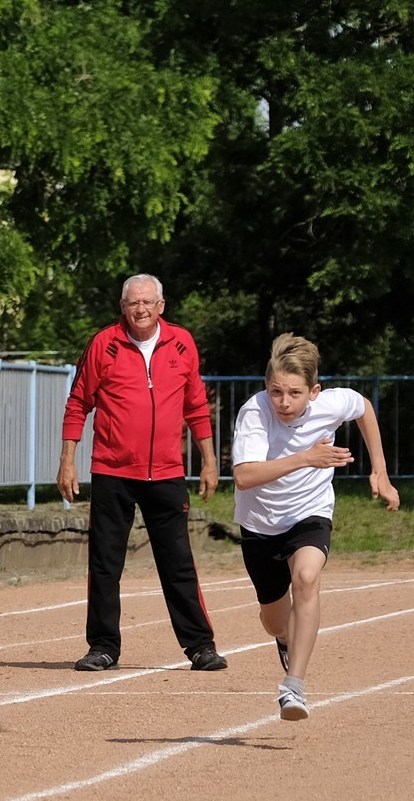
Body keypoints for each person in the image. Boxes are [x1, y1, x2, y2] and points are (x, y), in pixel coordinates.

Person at [58, 273, 226, 672]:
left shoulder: (182, 343)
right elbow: (78, 403)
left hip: (167, 472)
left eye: (148, 302)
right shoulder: (104, 344)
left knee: (178, 562)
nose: (141, 309)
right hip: (112, 470)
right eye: (134, 302)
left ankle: (200, 646)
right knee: (105, 563)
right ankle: (103, 646)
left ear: (161, 306)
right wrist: (67, 460)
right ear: (123, 306)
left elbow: (196, 406)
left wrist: (209, 460)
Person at [231, 334, 400, 720]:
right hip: (260, 525)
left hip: (310, 513)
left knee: (307, 577)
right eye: (276, 391)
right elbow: (244, 477)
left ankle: (293, 687)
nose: (283, 402)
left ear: (314, 391)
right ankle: (285, 638)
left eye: (294, 393)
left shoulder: (332, 402)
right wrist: (306, 457)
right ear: (266, 386)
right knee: (274, 621)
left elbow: (364, 407)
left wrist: (380, 471)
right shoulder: (254, 413)